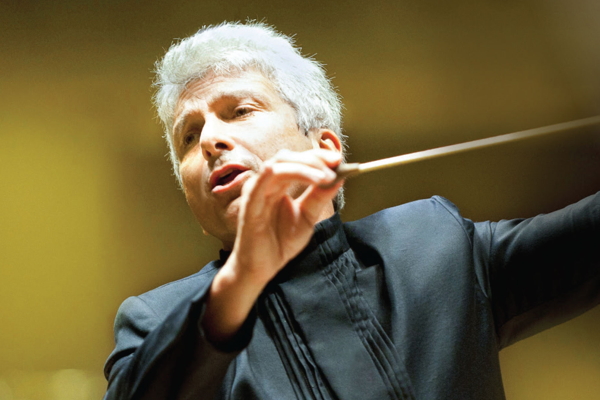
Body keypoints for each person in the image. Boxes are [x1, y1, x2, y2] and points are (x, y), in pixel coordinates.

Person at [103, 21, 600, 400]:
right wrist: (243, 276)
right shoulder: (156, 319)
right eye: (189, 136)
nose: (210, 139)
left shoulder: (434, 244)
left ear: (325, 149)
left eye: (240, 111)